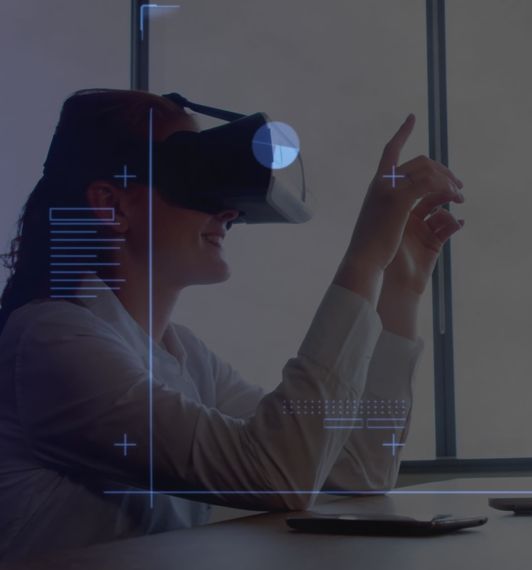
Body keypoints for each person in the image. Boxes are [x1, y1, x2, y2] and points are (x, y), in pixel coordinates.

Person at [0, 89, 465, 562]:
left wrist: (399, 288)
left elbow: (357, 470)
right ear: (112, 205)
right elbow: (281, 475)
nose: (228, 210)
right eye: (195, 176)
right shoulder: (49, 341)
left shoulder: (184, 356)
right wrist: (365, 257)